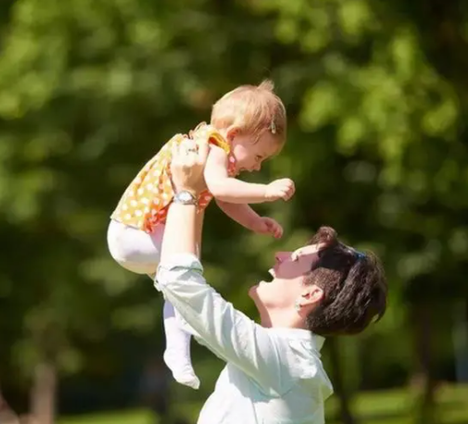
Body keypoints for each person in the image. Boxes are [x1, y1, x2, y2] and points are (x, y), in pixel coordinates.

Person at [155, 138, 388, 423]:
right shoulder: (289, 363)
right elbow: (185, 296)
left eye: (296, 259)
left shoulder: (284, 362)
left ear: (310, 294)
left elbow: (180, 282)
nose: (280, 255)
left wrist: (187, 193)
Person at [108, 80, 295, 389]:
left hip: (132, 236)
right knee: (187, 269)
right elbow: (222, 189)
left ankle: (178, 355)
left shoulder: (205, 148)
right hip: (137, 232)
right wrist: (268, 192)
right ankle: (179, 352)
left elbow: (224, 198)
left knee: (178, 285)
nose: (257, 167)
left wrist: (254, 222)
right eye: (259, 156)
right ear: (234, 135)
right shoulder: (214, 145)